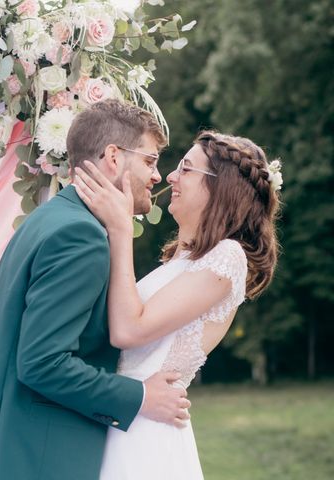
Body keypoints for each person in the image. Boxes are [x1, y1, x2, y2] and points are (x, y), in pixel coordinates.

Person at [0, 100, 191, 480]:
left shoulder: (50, 219)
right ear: (114, 157)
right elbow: (42, 362)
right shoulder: (80, 236)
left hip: (14, 447)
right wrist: (139, 398)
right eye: (150, 161)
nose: (157, 176)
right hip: (38, 458)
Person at [74, 130, 280, 479]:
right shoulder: (183, 259)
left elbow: (128, 329)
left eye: (186, 169)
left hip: (144, 436)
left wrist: (121, 230)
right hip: (124, 416)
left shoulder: (227, 257)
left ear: (219, 187)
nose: (170, 176)